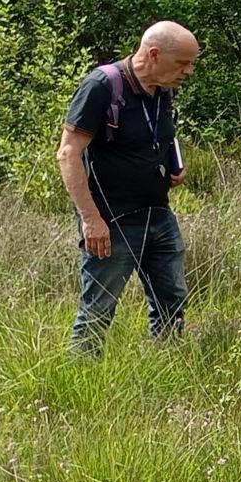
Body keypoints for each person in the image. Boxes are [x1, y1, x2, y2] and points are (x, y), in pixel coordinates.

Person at [56, 21, 199, 355]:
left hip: (158, 214)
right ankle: (80, 378)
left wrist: (172, 163)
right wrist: (91, 220)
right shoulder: (102, 86)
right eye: (182, 63)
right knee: (98, 310)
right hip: (111, 222)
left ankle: (166, 363)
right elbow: (68, 153)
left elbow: (159, 133)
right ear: (153, 54)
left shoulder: (164, 88)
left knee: (172, 299)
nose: (189, 71)